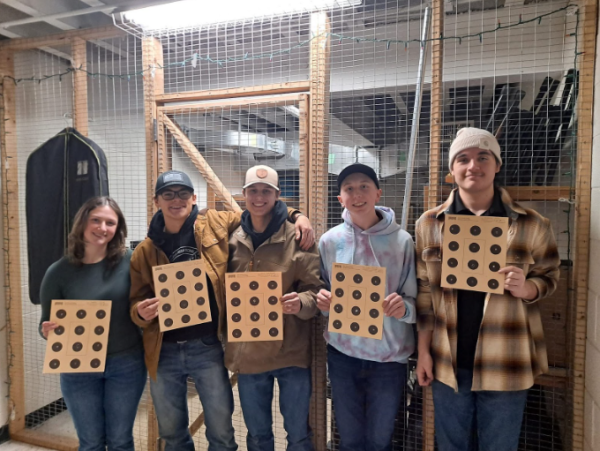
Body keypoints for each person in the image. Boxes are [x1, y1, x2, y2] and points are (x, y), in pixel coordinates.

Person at [130, 170, 314, 451]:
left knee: (221, 432)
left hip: (207, 346)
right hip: (164, 349)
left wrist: (298, 215)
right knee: (172, 432)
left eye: (182, 193)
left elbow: (261, 210)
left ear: (194, 198)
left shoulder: (216, 224)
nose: (175, 200)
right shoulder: (145, 249)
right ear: (156, 200)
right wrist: (140, 313)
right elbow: (136, 301)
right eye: (168, 194)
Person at [415, 128, 560, 451]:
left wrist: (527, 288)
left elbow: (550, 276)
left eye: (483, 157)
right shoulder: (429, 224)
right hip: (447, 361)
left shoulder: (532, 224)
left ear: (497, 165)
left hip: (506, 360)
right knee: (450, 446)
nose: (473, 166)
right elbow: (424, 295)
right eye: (463, 159)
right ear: (452, 170)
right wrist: (423, 352)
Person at [316, 163, 417, 451]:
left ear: (377, 194)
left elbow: (414, 299)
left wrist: (404, 308)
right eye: (349, 188)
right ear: (340, 199)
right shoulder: (329, 241)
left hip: (388, 358)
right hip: (342, 355)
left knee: (379, 439)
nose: (357, 194)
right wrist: (324, 303)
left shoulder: (402, 242)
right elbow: (323, 293)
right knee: (348, 439)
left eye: (364, 187)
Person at [225, 165, 321, 451]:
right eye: (253, 190)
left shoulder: (298, 237)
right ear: (243, 194)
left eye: (266, 191)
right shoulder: (230, 237)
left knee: (298, 435)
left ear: (277, 196)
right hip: (249, 352)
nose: (259, 197)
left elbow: (315, 290)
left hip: (290, 352)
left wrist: (301, 302)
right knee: (257, 436)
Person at [40, 196, 146, 451]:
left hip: (126, 364)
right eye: (96, 220)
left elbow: (141, 305)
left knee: (121, 439)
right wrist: (47, 330)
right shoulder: (58, 271)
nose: (102, 228)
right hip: (79, 367)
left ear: (117, 229)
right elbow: (46, 322)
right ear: (83, 222)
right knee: (90, 442)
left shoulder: (131, 262)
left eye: (110, 223)